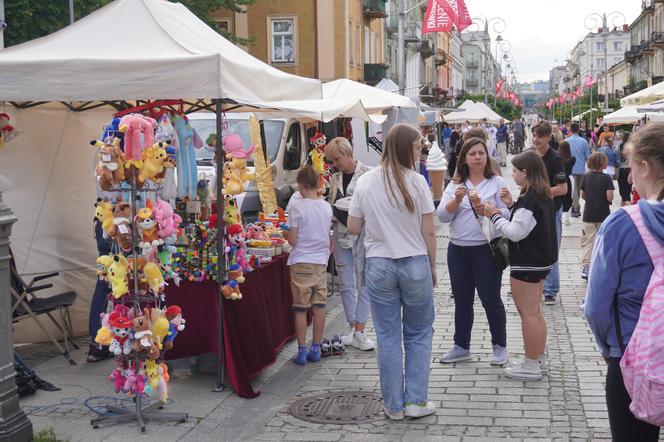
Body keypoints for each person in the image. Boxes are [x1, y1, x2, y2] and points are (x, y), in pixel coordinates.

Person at [347, 123, 437, 420]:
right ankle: (416, 401)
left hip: (380, 263)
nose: (419, 151)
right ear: (405, 148)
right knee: (419, 333)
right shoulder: (418, 182)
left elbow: (353, 227)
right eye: (416, 146)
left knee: (387, 336)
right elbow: (429, 233)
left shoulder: (366, 181)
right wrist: (433, 267)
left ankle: (393, 406)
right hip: (414, 262)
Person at [584, 122, 664, 441]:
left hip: (633, 358)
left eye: (632, 167)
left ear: (645, 166)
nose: (629, 177)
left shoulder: (623, 224)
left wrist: (609, 348)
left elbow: (596, 306)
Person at [484, 150, 557, 380]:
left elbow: (516, 232)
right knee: (534, 312)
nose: (512, 174)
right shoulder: (540, 195)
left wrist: (494, 215)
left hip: (527, 263)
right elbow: (526, 223)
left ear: (525, 173)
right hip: (540, 261)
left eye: (514, 170)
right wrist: (511, 204)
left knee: (528, 314)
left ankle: (531, 363)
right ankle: (537, 357)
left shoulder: (530, 199)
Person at [437, 137, 509, 366]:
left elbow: (509, 214)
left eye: (481, 153)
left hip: (485, 250)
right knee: (462, 300)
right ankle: (461, 346)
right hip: (458, 250)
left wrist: (490, 210)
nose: (478, 157)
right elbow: (442, 216)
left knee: (491, 299)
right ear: (464, 159)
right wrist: (456, 202)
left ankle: (500, 346)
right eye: (472, 154)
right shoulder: (455, 185)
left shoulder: (496, 182)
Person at [324, 138, 375, 351]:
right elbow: (330, 203)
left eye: (336, 159)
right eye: (332, 161)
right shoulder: (334, 178)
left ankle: (361, 330)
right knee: (346, 284)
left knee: (363, 282)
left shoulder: (368, 174)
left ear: (347, 153)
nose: (335, 164)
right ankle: (353, 327)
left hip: (363, 235)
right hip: (339, 234)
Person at [287, 166, 333, 365]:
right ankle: (316, 347)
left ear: (304, 186)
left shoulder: (297, 208)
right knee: (319, 305)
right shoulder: (326, 207)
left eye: (299, 188)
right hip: (320, 262)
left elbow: (294, 240)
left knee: (300, 308)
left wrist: (285, 234)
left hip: (300, 261)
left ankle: (302, 350)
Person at [531, 121, 568, 305]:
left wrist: (541, 191)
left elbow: (562, 188)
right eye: (534, 135)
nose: (536, 139)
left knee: (551, 248)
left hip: (552, 210)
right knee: (534, 248)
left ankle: (550, 290)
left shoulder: (555, 159)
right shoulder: (531, 156)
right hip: (533, 210)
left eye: (539, 136)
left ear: (547, 137)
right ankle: (533, 284)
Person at [579, 152, 614, 280]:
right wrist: (609, 201)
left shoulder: (586, 176)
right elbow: (609, 196)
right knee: (603, 241)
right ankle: (601, 266)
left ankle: (586, 268)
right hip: (604, 214)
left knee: (588, 242)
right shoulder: (606, 178)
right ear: (603, 164)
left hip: (588, 214)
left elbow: (583, 194)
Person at [87, 215, 112, 363]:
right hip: (116, 223)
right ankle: (99, 344)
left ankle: (96, 345)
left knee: (102, 290)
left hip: (102, 221)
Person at [568, 123, 591, 218]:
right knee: (577, 189)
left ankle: (576, 208)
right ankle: (575, 207)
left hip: (570, 169)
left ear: (570, 130)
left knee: (573, 190)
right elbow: (587, 157)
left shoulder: (566, 141)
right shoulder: (584, 141)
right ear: (578, 130)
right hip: (581, 169)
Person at [558, 141, 576, 226]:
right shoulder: (572, 158)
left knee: (560, 196)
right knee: (570, 197)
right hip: (569, 177)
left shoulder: (557, 158)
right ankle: (567, 219)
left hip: (559, 178)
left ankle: (559, 216)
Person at [617, 132, 632, 206]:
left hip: (621, 169)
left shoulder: (620, 146)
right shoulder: (632, 146)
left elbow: (617, 157)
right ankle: (622, 208)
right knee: (627, 190)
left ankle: (629, 206)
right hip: (630, 169)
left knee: (623, 191)